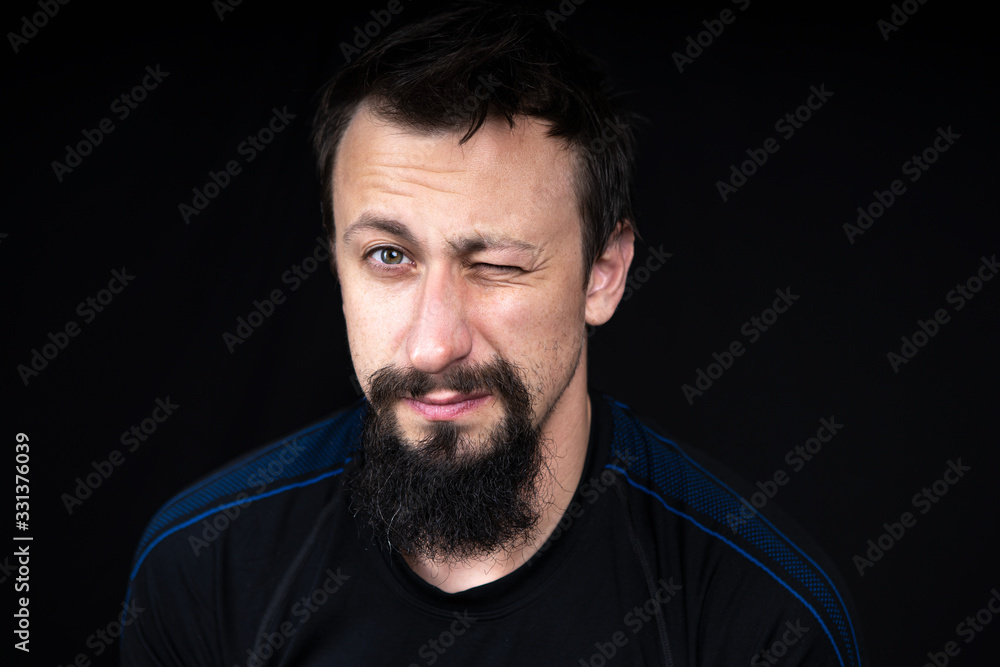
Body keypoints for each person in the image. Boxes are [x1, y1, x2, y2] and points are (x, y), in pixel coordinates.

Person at [121, 3, 864, 665]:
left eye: (498, 264)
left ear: (602, 272)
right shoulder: (202, 567)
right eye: (389, 257)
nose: (434, 344)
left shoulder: (760, 613)